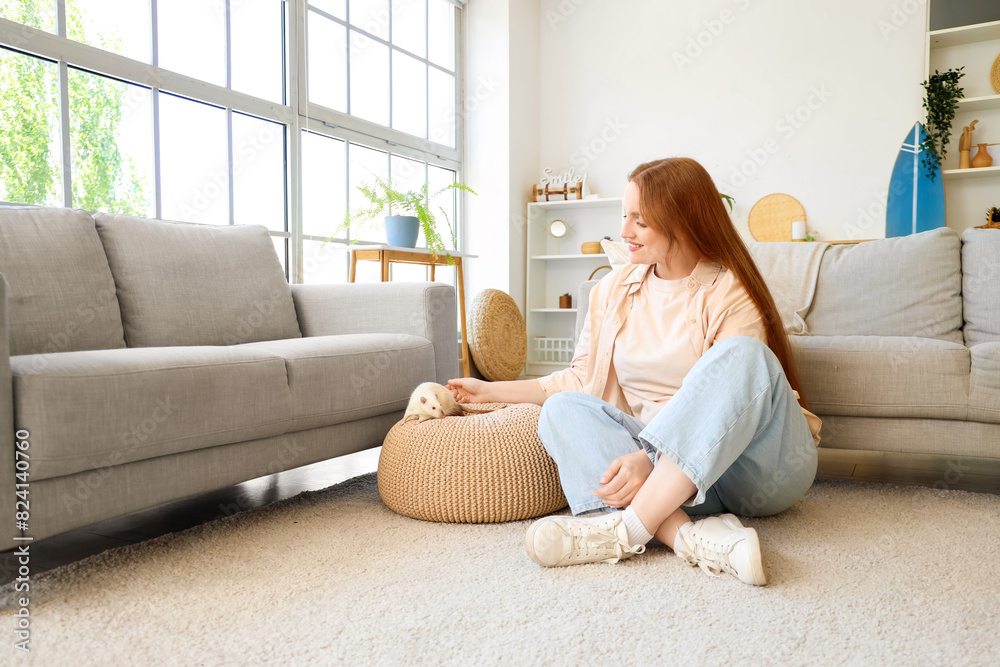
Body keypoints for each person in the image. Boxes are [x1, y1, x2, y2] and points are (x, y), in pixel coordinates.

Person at [447, 158, 821, 585]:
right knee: (562, 410)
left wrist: (650, 457)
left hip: (752, 468)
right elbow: (578, 379)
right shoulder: (613, 290)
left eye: (639, 222)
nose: (624, 231)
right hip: (680, 486)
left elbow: (734, 394)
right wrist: (491, 390)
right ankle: (687, 536)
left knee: (744, 354)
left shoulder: (729, 290)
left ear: (681, 222)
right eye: (624, 217)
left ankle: (625, 530)